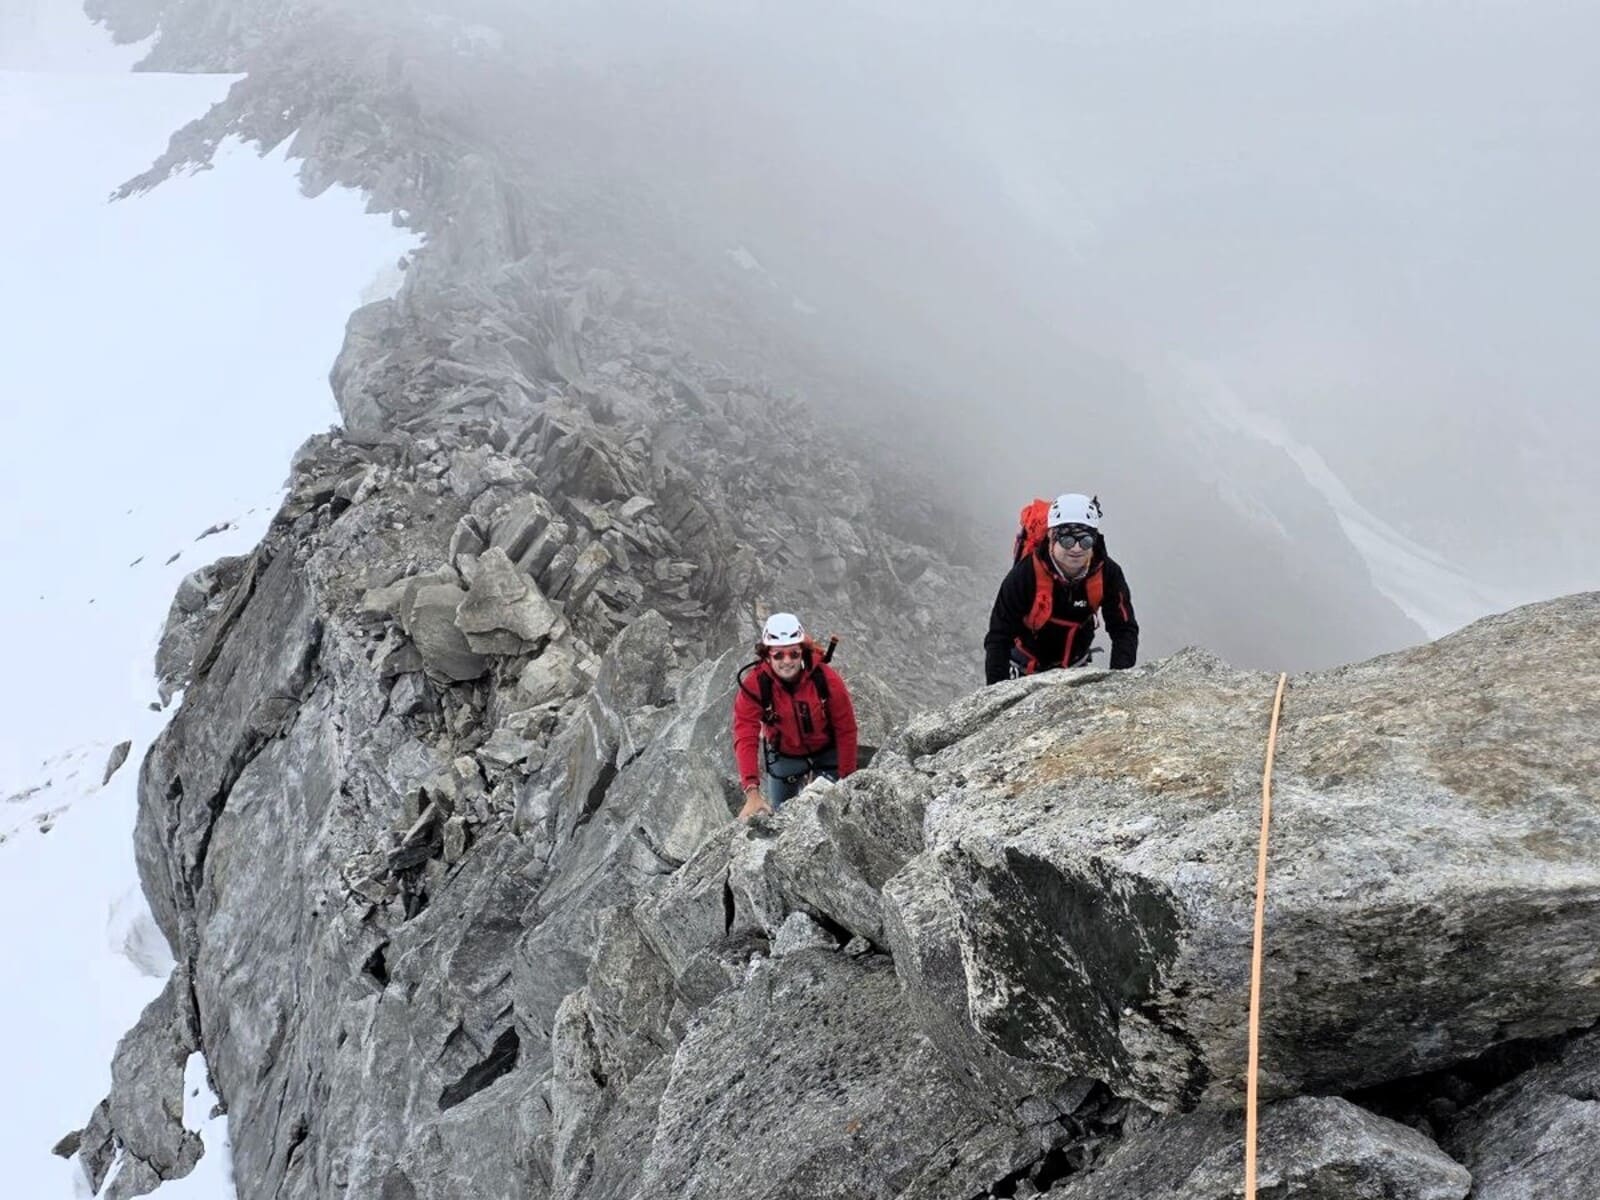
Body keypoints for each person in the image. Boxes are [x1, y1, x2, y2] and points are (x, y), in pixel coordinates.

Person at [984, 492, 1138, 684]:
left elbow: (1124, 629)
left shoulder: (1107, 573)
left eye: (1086, 541)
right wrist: (997, 690)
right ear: (1051, 536)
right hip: (1025, 671)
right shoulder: (1026, 575)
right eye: (1067, 540)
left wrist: (1119, 682)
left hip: (1075, 668)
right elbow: (999, 635)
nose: (1076, 548)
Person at [732, 612, 859, 821]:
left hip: (827, 752)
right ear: (766, 655)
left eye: (793, 653)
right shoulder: (756, 685)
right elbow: (745, 734)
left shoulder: (826, 679)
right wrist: (752, 791)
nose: (787, 661)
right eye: (778, 655)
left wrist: (847, 779)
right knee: (781, 816)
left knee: (836, 817)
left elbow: (846, 729)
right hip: (785, 755)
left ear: (802, 652)